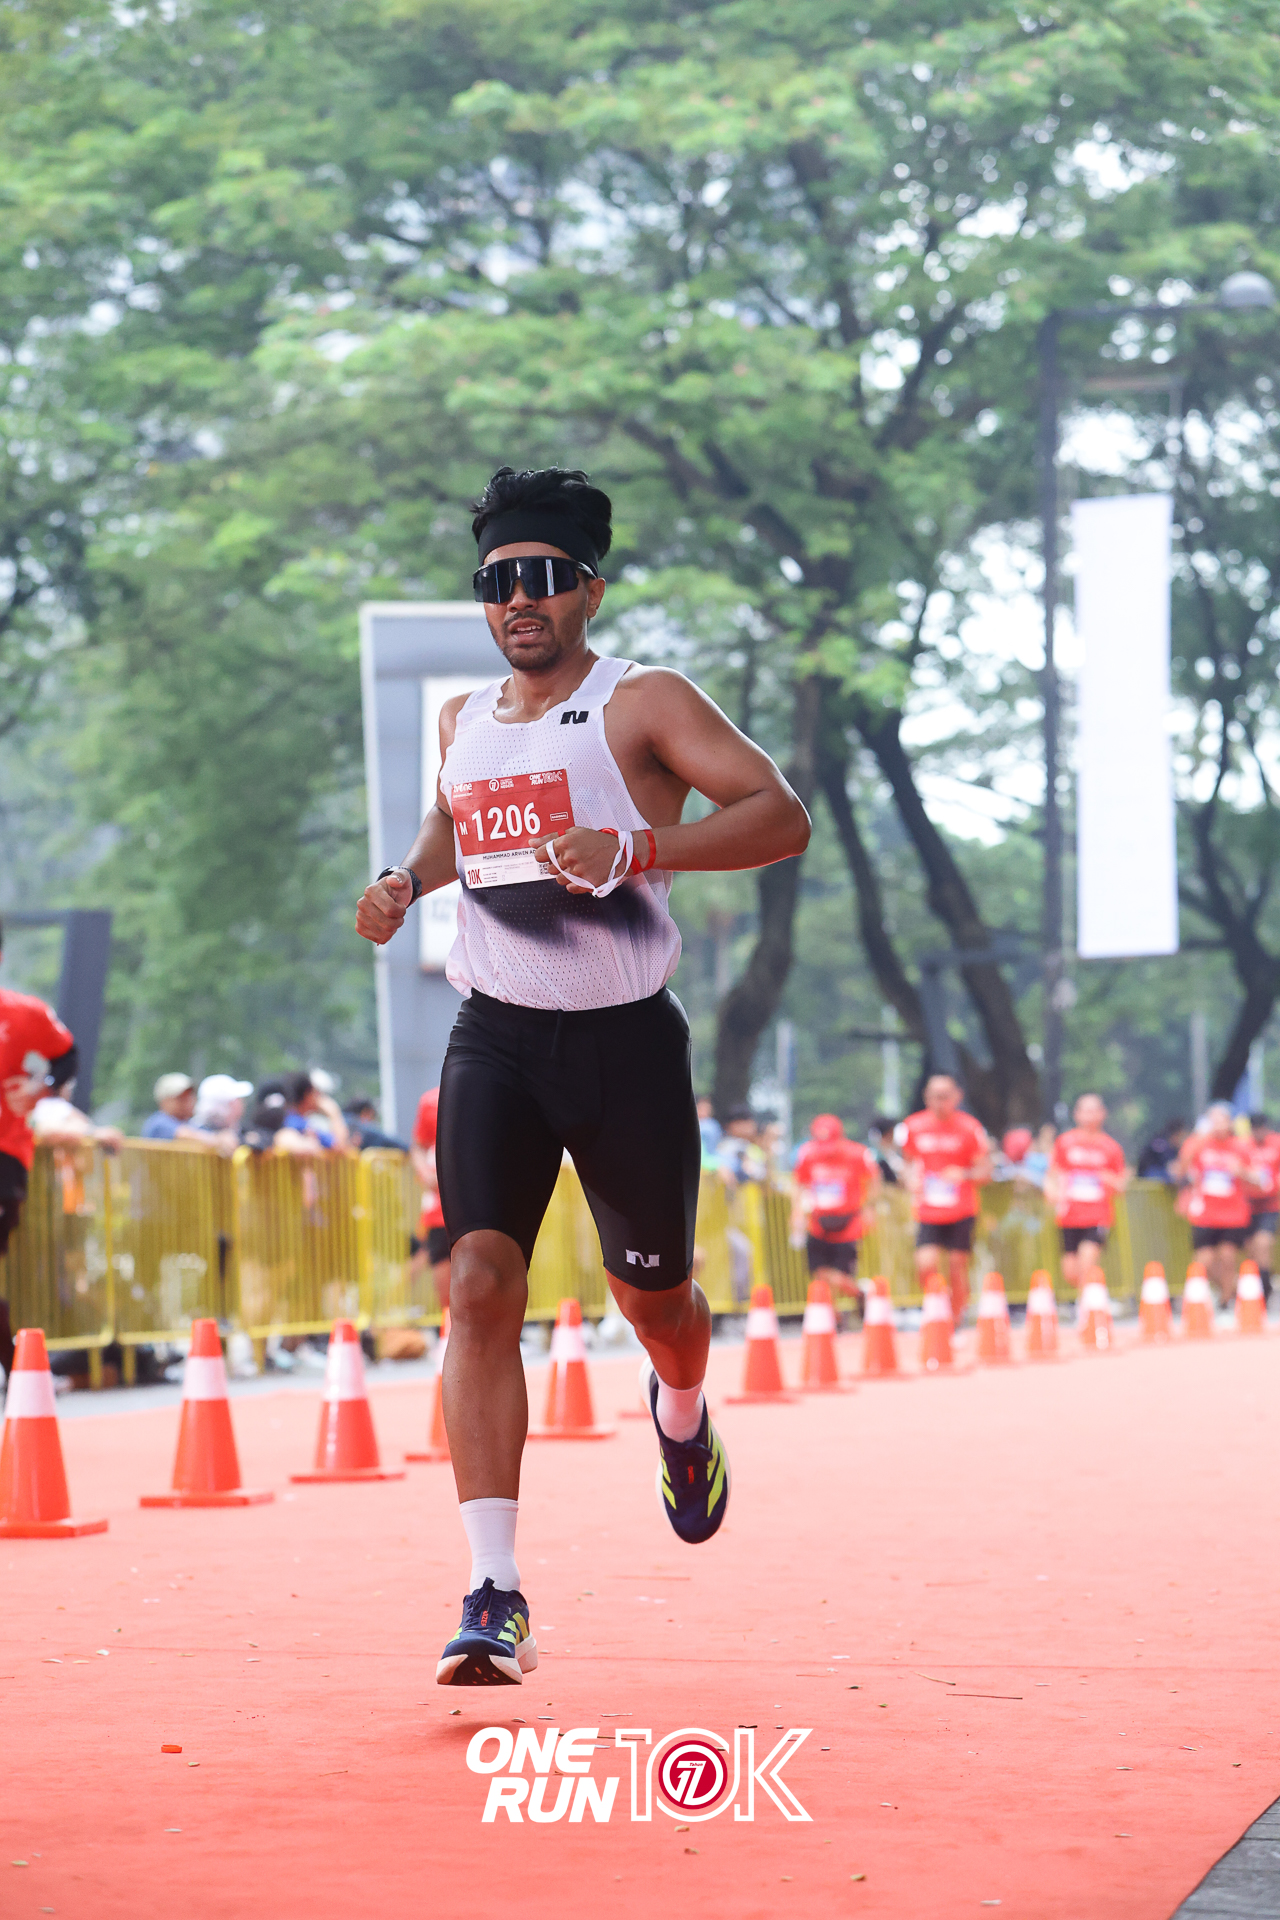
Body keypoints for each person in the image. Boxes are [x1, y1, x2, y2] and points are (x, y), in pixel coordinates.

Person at [355, 463, 810, 1687]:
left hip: (624, 1043)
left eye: (544, 577)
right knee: (478, 1282)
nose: (519, 599)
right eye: (497, 581)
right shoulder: (463, 719)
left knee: (653, 1303)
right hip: (494, 1034)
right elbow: (452, 825)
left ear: (588, 591)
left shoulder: (643, 701)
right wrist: (406, 879)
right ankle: (491, 1590)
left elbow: (779, 816)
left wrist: (638, 846)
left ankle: (679, 1412)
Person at [0, 918, 79, 1375]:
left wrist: (41, 1088)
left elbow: (68, 1055)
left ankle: (18, 1368)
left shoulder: (23, 1013)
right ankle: (18, 1369)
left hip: (4, 1156)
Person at [899, 1075, 992, 1319]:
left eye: (944, 1097)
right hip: (929, 1210)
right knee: (925, 1263)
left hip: (961, 1209)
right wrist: (910, 1180)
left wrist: (964, 1174)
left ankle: (955, 1317)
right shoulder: (913, 1126)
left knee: (956, 1266)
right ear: (926, 1097)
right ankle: (938, 1307)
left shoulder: (970, 1128)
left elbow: (985, 1170)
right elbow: (907, 1165)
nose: (939, 1102)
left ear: (956, 1097)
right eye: (933, 1097)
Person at [1173, 1103, 1259, 1304]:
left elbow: (1259, 1178)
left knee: (1228, 1257)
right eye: (1213, 1120)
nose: (1218, 1125)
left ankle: (1225, 1301)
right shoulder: (1198, 1144)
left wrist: (1242, 1172)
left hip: (1233, 1213)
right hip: (1205, 1212)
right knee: (1204, 1261)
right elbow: (1180, 1171)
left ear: (1230, 1123)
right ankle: (1224, 1291)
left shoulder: (1241, 1147)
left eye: (1222, 1120)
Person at [791, 1114, 880, 1306]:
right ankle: (835, 1317)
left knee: (840, 1275)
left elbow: (873, 1179)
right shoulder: (808, 1154)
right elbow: (799, 1184)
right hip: (818, 1222)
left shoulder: (858, 1153)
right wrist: (797, 1212)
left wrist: (869, 1207)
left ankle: (860, 1293)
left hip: (848, 1222)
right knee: (820, 1274)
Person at [1045, 1093, 1129, 1296]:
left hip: (1097, 1215)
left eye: (1094, 1111)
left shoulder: (1111, 1147)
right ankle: (1094, 1295)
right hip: (1069, 1215)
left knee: (1087, 1261)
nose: (1090, 1116)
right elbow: (1052, 1175)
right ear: (1077, 1114)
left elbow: (1121, 1184)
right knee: (1070, 1272)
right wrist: (1051, 1192)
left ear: (1103, 1113)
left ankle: (1089, 1306)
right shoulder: (1065, 1142)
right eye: (1085, 1111)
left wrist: (1108, 1179)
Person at [411, 1085, 451, 1313]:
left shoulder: (487, 1091)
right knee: (441, 1266)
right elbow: (418, 1145)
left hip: (478, 1203)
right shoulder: (430, 1100)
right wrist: (425, 1174)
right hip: (439, 1209)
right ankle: (449, 1326)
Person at [1247, 1112, 1280, 1303]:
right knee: (1252, 1249)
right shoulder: (1244, 1145)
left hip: (1270, 1204)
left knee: (1263, 1243)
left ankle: (1266, 1286)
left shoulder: (1276, 1143)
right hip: (1249, 1205)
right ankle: (1257, 1286)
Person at [193, 1074, 254, 1153]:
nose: (242, 1103)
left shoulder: (242, 1130)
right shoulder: (193, 1132)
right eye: (236, 1100)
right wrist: (216, 1139)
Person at [140, 1073, 203, 1141]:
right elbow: (185, 1135)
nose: (188, 1101)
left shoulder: (193, 1124)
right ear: (164, 1101)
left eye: (190, 1096)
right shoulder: (158, 1123)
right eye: (181, 1098)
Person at [343, 1095, 409, 1153]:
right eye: (372, 1118)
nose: (372, 1123)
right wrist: (407, 1148)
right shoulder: (359, 1127)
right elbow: (384, 1138)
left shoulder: (341, 1121)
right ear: (366, 1113)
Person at [1137, 1117, 1188, 1182]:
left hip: (1160, 1172)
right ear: (1176, 1134)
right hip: (1149, 1172)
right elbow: (1169, 1165)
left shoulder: (1173, 1148)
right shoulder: (1160, 1143)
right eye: (1181, 1136)